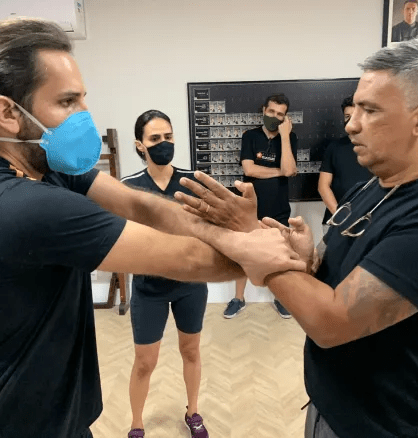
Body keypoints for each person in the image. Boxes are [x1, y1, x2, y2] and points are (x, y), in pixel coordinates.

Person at [0, 18, 305, 438]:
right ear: (8, 113)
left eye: (83, 98)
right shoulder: (25, 204)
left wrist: (244, 237)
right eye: (67, 102)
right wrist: (289, 257)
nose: (84, 114)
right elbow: (186, 257)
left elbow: (142, 205)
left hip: (59, 411)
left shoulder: (50, 169)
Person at [176, 38, 418, 438]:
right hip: (329, 405)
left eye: (370, 110)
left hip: (382, 426)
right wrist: (307, 261)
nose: (351, 124)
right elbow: (334, 279)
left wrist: (251, 239)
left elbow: (331, 322)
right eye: (355, 109)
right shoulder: (372, 187)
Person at [121, 110, 210, 438]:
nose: (164, 143)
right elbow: (121, 238)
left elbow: (209, 230)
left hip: (191, 286)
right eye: (155, 138)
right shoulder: (129, 187)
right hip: (149, 290)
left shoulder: (193, 182)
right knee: (145, 361)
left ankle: (193, 412)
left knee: (191, 351)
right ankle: (137, 423)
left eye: (168, 137)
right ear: (140, 145)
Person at [223, 93, 298, 319]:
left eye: (280, 114)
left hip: (279, 209)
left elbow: (290, 169)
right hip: (249, 208)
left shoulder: (290, 138)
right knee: (242, 254)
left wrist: (284, 137)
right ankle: (238, 299)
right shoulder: (250, 136)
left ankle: (281, 298)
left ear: (285, 118)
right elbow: (249, 170)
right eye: (271, 111)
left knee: (279, 256)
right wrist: (279, 171)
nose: (274, 116)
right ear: (263, 110)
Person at [318, 95, 372, 233]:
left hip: (369, 222)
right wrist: (341, 217)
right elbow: (323, 186)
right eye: (347, 116)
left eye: (355, 115)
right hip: (335, 223)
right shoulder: (334, 147)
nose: (350, 120)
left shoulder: (378, 147)